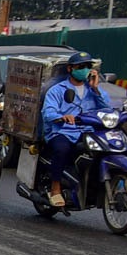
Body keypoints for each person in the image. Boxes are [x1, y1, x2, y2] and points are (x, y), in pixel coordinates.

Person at [40, 51, 112, 208]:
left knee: (106, 147)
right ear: (70, 69)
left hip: (87, 131)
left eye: (88, 66)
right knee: (61, 149)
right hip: (62, 131)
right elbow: (48, 112)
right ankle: (55, 188)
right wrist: (62, 116)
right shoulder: (57, 90)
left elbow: (107, 109)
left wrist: (96, 89)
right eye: (81, 66)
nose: (84, 70)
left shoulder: (93, 91)